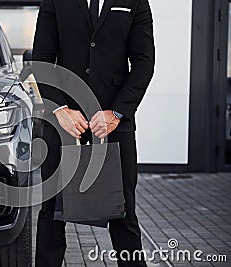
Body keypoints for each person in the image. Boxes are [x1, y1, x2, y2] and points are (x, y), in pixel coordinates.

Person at [32, 0, 155, 266]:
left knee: (123, 210)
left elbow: (144, 62)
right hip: (65, 120)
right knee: (51, 210)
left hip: (114, 121)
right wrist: (59, 109)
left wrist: (117, 112)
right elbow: (42, 57)